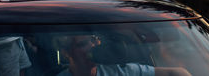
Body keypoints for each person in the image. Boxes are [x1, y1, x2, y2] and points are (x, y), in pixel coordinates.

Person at [57, 35, 191, 76]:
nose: (92, 46)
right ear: (67, 53)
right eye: (83, 44)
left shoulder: (121, 72)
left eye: (94, 41)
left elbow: (178, 73)